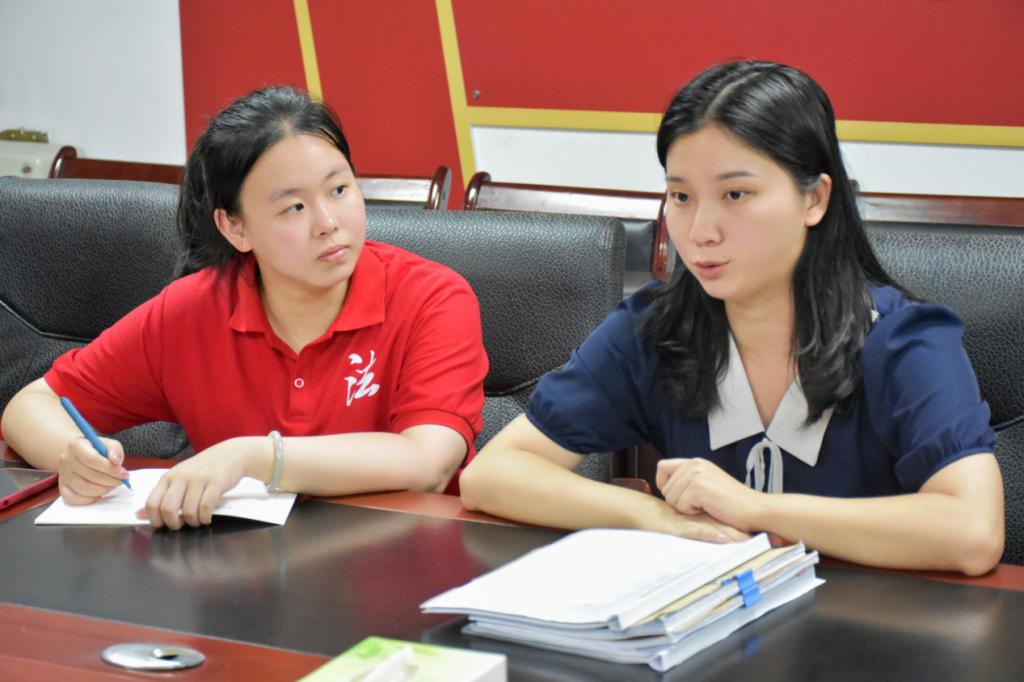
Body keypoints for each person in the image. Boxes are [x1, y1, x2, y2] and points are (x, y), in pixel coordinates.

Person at [460, 61, 1004, 575]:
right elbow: (492, 475)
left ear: (814, 199)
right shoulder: (654, 328)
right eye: (681, 196)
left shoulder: (902, 340)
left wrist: (754, 508)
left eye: (735, 194)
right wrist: (654, 516)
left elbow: (972, 532)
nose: (700, 231)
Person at [1, 86, 488, 530]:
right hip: (239, 569)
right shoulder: (192, 311)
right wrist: (74, 456)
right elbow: (31, 405)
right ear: (235, 228)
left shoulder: (432, 298)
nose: (327, 222)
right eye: (293, 207)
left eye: (339, 190)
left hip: (402, 561)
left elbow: (428, 462)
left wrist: (254, 457)